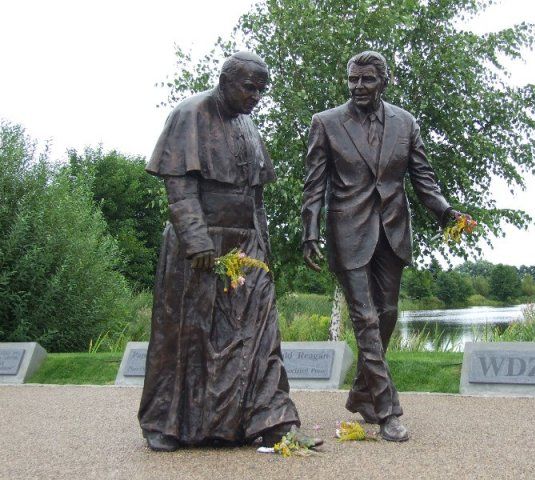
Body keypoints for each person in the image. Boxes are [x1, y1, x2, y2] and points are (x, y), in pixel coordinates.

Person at [139, 51, 320, 452]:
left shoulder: (249, 126)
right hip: (201, 244)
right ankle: (167, 424)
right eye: (249, 87)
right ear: (225, 80)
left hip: (247, 245)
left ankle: (274, 421)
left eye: (261, 90)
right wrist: (197, 239)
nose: (256, 96)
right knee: (190, 336)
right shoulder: (190, 113)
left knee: (260, 334)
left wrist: (263, 247)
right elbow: (179, 186)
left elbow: (255, 196)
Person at [301, 50, 467, 442]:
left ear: (384, 82)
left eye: (367, 80)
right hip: (347, 231)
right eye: (353, 80)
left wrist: (445, 213)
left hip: (392, 231)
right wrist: (310, 231)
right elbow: (314, 185)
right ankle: (388, 409)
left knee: (388, 313)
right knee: (365, 318)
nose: (358, 87)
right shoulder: (325, 123)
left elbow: (423, 178)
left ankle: (362, 393)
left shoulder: (405, 123)